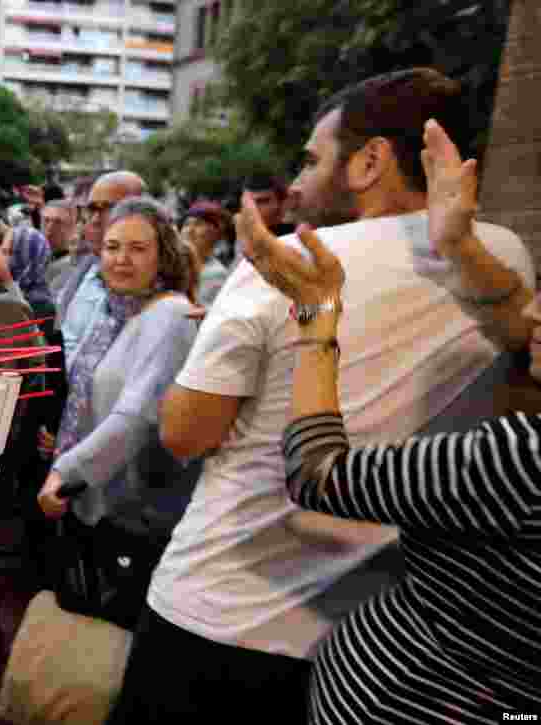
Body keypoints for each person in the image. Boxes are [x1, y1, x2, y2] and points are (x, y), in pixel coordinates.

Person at [109, 68, 536, 722]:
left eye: (312, 160)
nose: (298, 183)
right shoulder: (500, 261)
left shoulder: (286, 266)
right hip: (384, 630)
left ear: (369, 161)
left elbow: (185, 433)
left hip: (221, 610)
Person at [238, 118, 541, 723]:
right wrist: (457, 244)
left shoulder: (523, 459)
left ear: (369, 161)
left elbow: (320, 474)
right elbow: (522, 332)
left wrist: (317, 318)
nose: (537, 308)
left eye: (310, 161)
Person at [36, 197, 202, 629]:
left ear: (163, 255)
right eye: (111, 247)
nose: (121, 259)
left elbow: (135, 417)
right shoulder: (122, 312)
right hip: (103, 506)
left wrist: (66, 470)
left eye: (137, 248)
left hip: (136, 517)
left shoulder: (170, 316)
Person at [55, 171, 146, 374]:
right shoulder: (84, 270)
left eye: (108, 209)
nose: (95, 219)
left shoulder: (151, 288)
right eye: (92, 208)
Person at [180, 199, 230, 306]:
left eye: (198, 224)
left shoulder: (217, 274)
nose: (189, 230)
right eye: (186, 224)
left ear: (217, 232)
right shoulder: (168, 266)